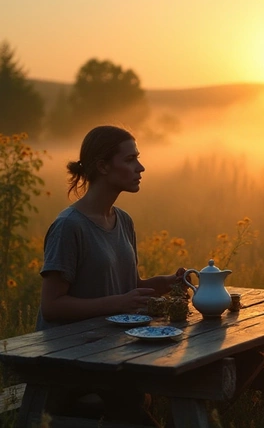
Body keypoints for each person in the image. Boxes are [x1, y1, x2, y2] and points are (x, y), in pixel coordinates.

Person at [35, 125, 185, 421]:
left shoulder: (123, 221)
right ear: (103, 166)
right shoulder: (69, 227)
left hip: (109, 352)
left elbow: (124, 289)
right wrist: (117, 303)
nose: (140, 167)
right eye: (130, 160)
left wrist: (161, 284)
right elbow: (51, 306)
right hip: (68, 362)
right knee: (132, 398)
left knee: (198, 369)